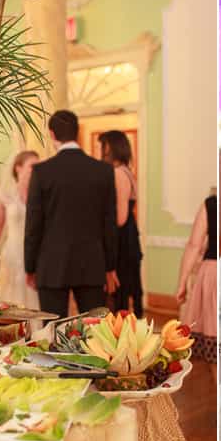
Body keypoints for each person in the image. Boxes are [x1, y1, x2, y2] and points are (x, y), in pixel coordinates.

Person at [24, 110, 119, 315]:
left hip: (51, 264)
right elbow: (109, 222)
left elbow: (34, 224)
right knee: (95, 331)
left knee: (52, 329)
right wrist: (110, 266)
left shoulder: (42, 172)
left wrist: (30, 266)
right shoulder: (103, 171)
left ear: (52, 134)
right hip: (92, 263)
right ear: (77, 132)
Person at [99, 130, 143, 317]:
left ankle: (121, 332)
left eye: (104, 147)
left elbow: (120, 218)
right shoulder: (127, 172)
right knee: (126, 286)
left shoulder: (118, 173)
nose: (101, 152)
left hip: (121, 239)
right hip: (128, 236)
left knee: (120, 289)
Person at [0, 150, 40, 309]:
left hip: (34, 252)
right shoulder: (5, 196)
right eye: (32, 166)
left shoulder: (39, 194)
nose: (36, 170)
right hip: (12, 252)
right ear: (18, 168)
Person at [176, 191, 217, 362]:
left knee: (210, 347)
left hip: (212, 272)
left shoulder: (211, 204)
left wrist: (182, 282)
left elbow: (194, 245)